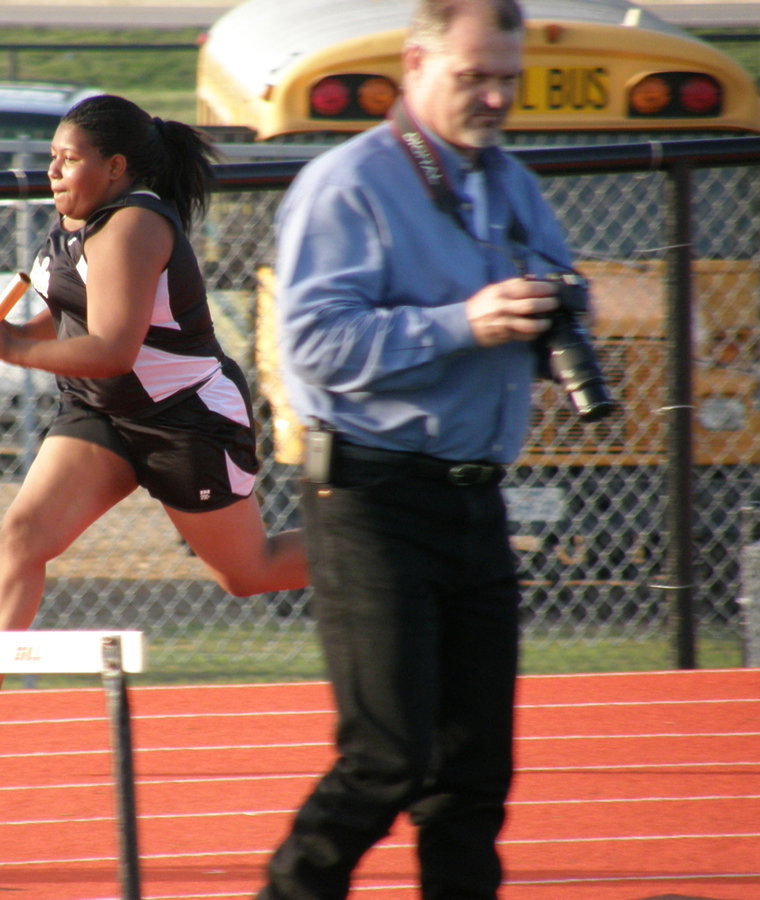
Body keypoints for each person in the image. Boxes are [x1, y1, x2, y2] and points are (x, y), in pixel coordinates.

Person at [257, 0, 580, 897]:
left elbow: (556, 278)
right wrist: (462, 323)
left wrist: (562, 309)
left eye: (508, 79)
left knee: (472, 783)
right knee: (384, 760)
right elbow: (314, 347)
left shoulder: (509, 181)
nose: (493, 97)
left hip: (476, 503)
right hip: (371, 497)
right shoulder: (349, 183)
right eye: (472, 75)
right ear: (415, 64)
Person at [0, 94, 309, 754]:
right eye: (51, 158)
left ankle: (383, 545)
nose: (53, 172)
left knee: (248, 573)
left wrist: (9, 348)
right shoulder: (76, 223)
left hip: (185, 421)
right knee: (24, 532)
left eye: (68, 159)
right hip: (102, 412)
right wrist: (9, 332)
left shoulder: (135, 227)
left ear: (115, 167)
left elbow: (114, 346)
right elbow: (69, 315)